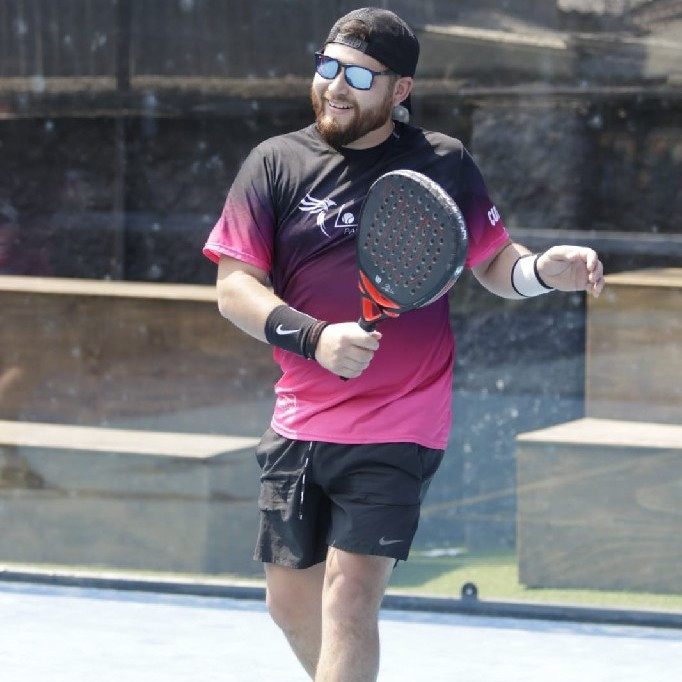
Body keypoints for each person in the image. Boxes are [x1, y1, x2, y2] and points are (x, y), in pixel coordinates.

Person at [203, 7, 604, 681]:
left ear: (400, 90)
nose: (336, 86)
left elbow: (492, 261)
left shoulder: (441, 162)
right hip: (299, 419)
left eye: (359, 76)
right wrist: (316, 338)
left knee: (350, 596)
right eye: (328, 67)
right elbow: (234, 288)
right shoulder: (274, 163)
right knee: (290, 604)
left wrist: (543, 272)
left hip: (400, 422)